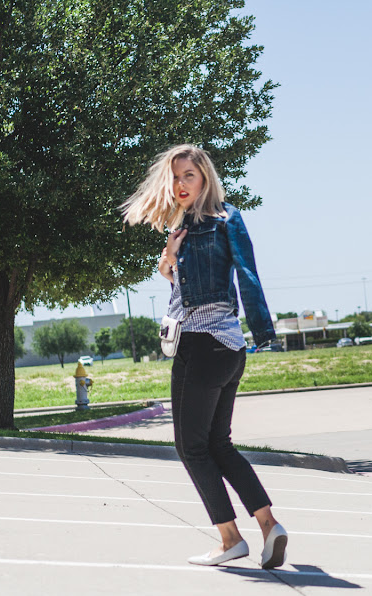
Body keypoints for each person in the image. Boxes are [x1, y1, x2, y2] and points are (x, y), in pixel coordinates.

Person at [122, 144, 287, 569]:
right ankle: (269, 526)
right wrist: (169, 265)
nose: (180, 184)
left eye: (189, 176)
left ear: (205, 178)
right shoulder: (218, 220)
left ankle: (230, 538)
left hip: (199, 346)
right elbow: (239, 276)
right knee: (219, 445)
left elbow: (226, 286)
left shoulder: (201, 224)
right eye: (175, 177)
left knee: (191, 448)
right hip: (231, 347)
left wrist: (172, 261)